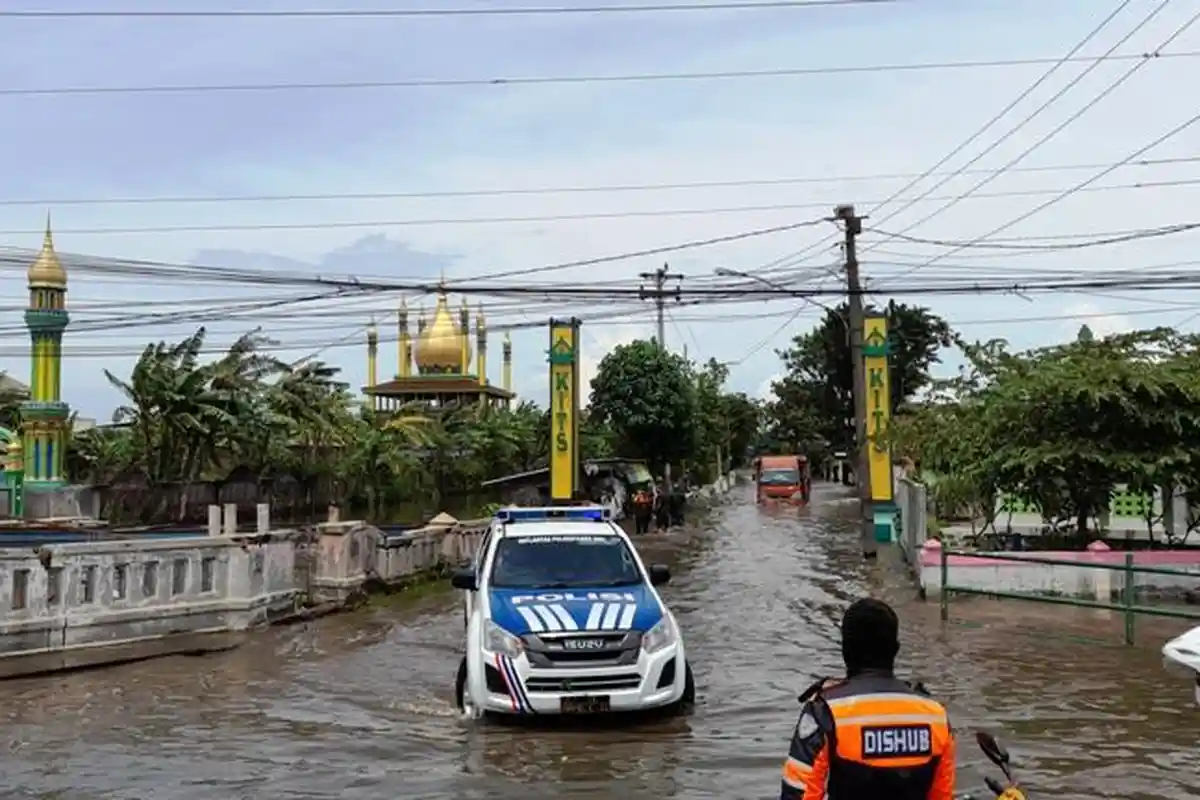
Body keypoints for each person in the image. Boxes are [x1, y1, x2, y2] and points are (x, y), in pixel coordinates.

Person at [779, 598, 955, 800]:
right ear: (895, 649)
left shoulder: (825, 711)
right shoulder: (936, 716)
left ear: (845, 649)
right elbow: (942, 795)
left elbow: (798, 794)